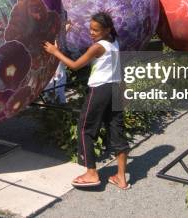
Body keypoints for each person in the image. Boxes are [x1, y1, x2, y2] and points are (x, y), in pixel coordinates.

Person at [43, 12, 130, 190]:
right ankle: (121, 177)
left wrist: (55, 51)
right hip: (115, 88)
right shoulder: (114, 42)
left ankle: (91, 172)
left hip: (100, 90)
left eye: (96, 30)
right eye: (90, 29)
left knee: (85, 129)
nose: (92, 33)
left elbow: (74, 65)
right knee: (116, 130)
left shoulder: (98, 47)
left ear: (107, 30)